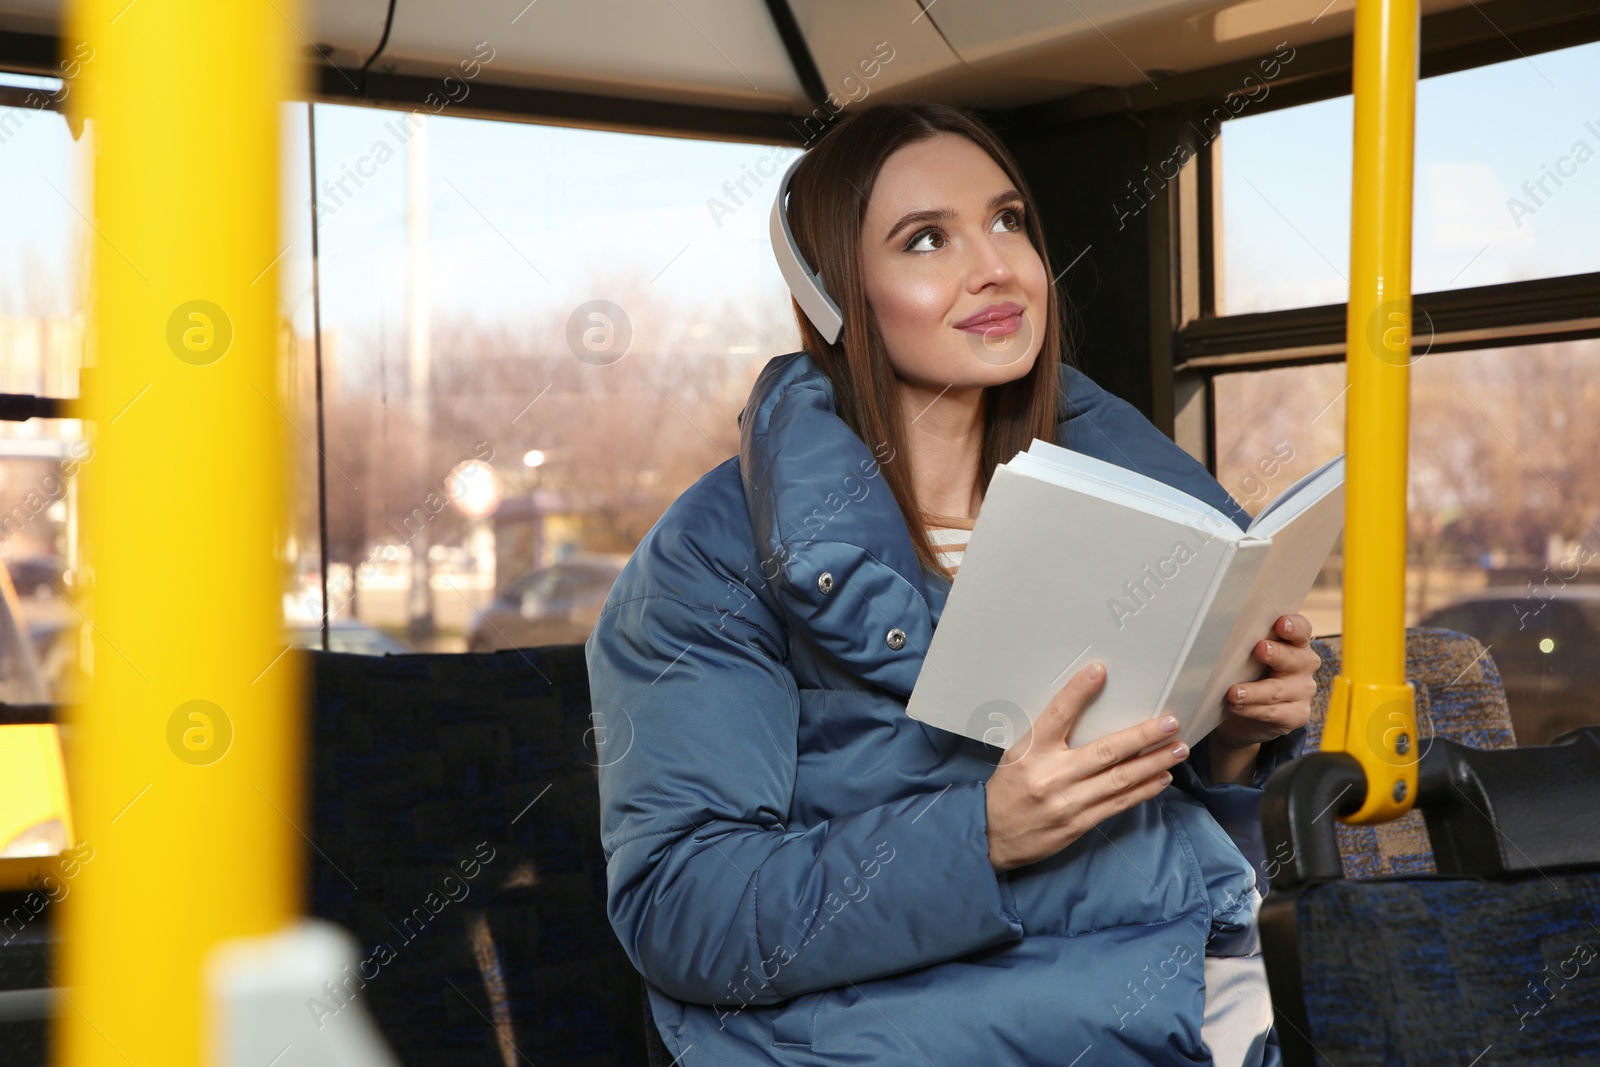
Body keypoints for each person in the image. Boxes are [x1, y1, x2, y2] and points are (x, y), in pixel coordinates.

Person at [584, 100, 1319, 1066]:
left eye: (1008, 220)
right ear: (833, 299)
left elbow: (1169, 817)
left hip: (1175, 998)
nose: (996, 265)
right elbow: (684, 910)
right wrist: (979, 837)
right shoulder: (712, 556)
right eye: (926, 240)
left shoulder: (1133, 516)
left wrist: (1235, 737)